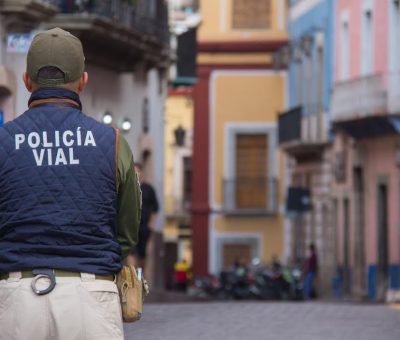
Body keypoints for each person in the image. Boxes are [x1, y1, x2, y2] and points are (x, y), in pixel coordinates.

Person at [0, 28, 141, 339]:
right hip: (91, 299)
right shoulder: (113, 142)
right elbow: (128, 230)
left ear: (26, 81)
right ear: (83, 81)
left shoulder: (3, 141)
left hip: (16, 299)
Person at [133, 162, 159, 275]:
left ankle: (139, 277)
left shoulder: (148, 189)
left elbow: (155, 208)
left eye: (137, 171)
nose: (136, 174)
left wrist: (151, 224)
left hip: (144, 227)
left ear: (141, 172)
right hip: (130, 227)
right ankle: (133, 279)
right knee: (131, 253)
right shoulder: (127, 188)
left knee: (142, 254)